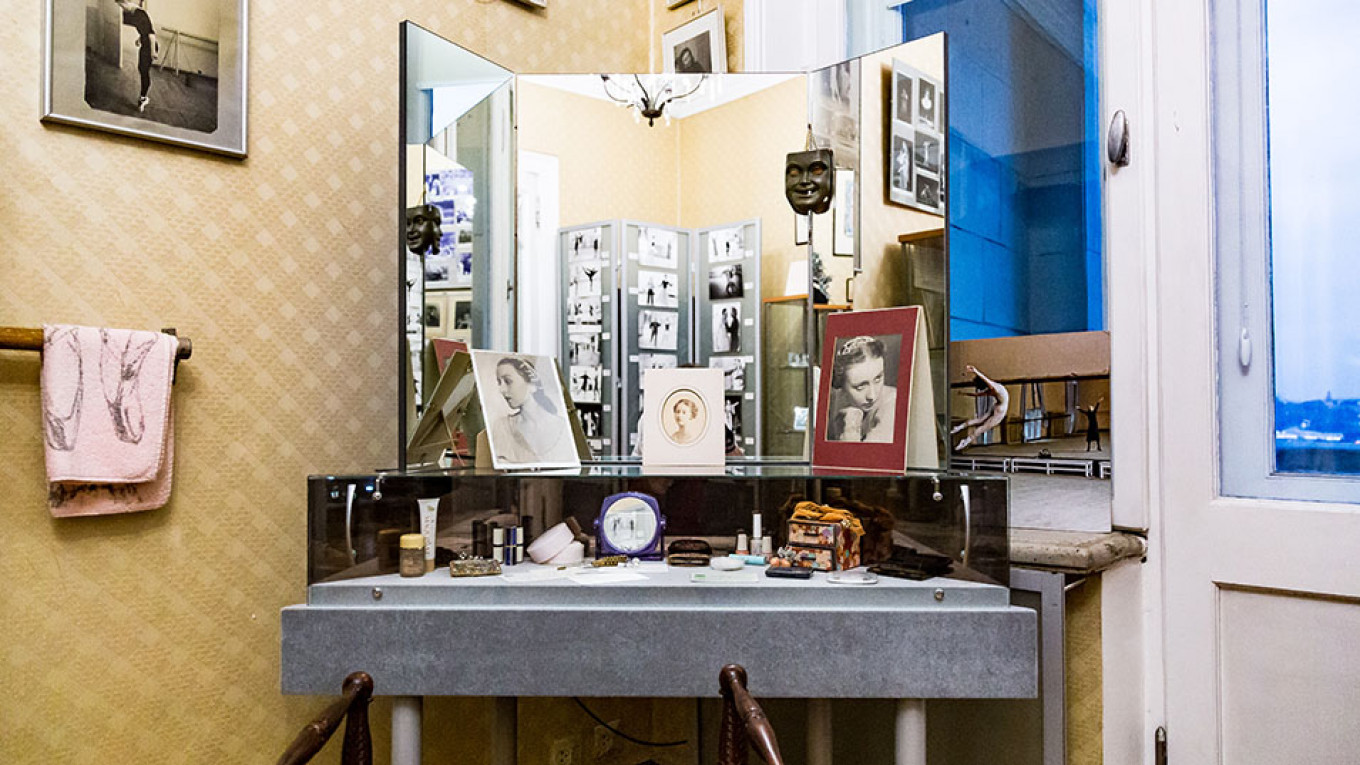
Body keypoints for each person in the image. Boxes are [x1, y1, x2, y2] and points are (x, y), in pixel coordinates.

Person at [489, 357, 573, 464]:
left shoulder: (564, 428)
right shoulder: (502, 427)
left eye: (508, 381)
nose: (501, 389)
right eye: (499, 382)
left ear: (532, 385)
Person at [827, 336, 897, 443]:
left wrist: (850, 431)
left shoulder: (893, 404)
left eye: (878, 379)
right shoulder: (832, 400)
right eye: (860, 387)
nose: (872, 396)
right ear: (842, 386)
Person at [951, 365, 1009, 451]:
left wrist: (975, 371)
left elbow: (986, 380)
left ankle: (962, 436)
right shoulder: (993, 390)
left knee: (982, 424)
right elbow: (978, 395)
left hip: (999, 409)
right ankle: (961, 433)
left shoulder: (995, 387)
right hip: (999, 407)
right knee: (981, 424)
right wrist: (965, 394)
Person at [117, 1, 158, 112]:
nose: (122, 8)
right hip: (145, 44)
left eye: (122, 5)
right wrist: (139, 38)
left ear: (127, 3)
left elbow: (151, 34)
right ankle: (143, 97)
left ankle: (143, 98)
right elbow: (144, 31)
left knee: (144, 71)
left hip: (150, 46)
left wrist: (153, 52)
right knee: (141, 69)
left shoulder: (139, 14)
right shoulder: (135, 13)